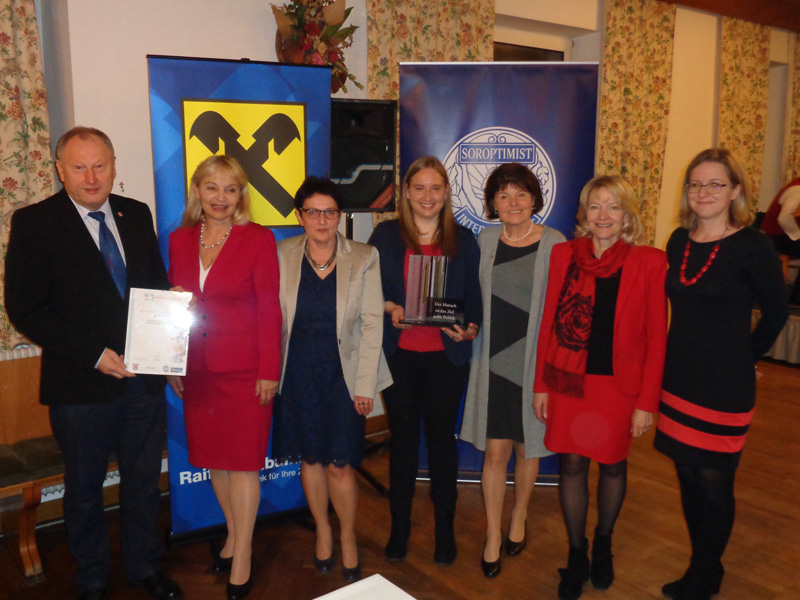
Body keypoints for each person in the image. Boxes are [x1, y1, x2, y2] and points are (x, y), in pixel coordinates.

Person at [4, 127, 182, 600]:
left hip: (142, 382)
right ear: (59, 170)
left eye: (99, 166)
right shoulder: (35, 222)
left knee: (143, 483)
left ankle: (144, 567)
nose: (90, 177)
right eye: (79, 167)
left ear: (114, 166)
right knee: (84, 489)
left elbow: (151, 285)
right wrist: (95, 355)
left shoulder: (136, 213)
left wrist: (170, 306)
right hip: (79, 386)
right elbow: (25, 308)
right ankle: (93, 579)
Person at [654, 149, 788, 600]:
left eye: (715, 183)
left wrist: (746, 356)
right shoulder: (678, 241)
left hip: (725, 385)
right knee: (687, 476)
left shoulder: (753, 245)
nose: (704, 192)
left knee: (715, 482)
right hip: (679, 378)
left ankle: (704, 571)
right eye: (696, 184)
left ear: (735, 191)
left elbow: (775, 312)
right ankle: (704, 563)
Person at [533, 175, 668, 600]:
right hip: (569, 381)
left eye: (613, 206)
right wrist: (541, 385)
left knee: (612, 465)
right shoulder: (563, 255)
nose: (603, 215)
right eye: (595, 206)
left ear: (627, 215)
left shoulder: (649, 262)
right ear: (584, 214)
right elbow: (548, 323)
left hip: (618, 387)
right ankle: (577, 553)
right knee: (571, 466)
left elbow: (656, 339)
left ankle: (603, 544)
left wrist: (647, 402)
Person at [167, 156, 281, 600]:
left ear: (241, 195)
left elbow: (269, 309)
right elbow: (173, 308)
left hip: (245, 371)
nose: (220, 197)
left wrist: (269, 370)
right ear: (197, 190)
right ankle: (233, 533)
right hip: (197, 369)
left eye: (230, 189)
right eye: (212, 187)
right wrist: (174, 365)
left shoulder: (258, 238)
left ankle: (245, 553)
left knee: (244, 464)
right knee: (215, 459)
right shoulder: (179, 240)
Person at [272, 177, 391, 583]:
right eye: (313, 212)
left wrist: (365, 386)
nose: (322, 220)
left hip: (345, 375)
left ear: (340, 216)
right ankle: (322, 529)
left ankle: (348, 535)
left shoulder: (365, 256)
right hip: (298, 373)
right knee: (310, 458)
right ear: (299, 216)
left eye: (330, 212)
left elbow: (372, 324)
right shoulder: (283, 254)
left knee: (339, 463)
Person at [368, 156, 482, 566]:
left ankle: (444, 531)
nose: (427, 196)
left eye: (435, 188)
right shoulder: (385, 236)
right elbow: (368, 290)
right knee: (402, 445)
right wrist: (391, 307)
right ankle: (400, 529)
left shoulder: (463, 239)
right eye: (419, 187)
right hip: (399, 357)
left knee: (441, 445)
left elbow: (473, 300)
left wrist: (469, 328)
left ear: (446, 192)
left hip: (445, 361)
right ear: (406, 192)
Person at [460, 163, 565, 578]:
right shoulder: (484, 240)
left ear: (534, 198)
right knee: (495, 452)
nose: (513, 202)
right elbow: (471, 298)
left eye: (521, 193)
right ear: (493, 204)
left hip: (533, 366)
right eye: (504, 195)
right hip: (491, 363)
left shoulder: (555, 243)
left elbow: (562, 312)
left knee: (527, 448)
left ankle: (519, 514)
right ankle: (492, 533)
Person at [759, 178, 800, 304]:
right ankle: (796, 298)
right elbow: (784, 218)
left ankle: (796, 297)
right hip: (773, 238)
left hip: (781, 236)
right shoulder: (797, 190)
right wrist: (798, 236)